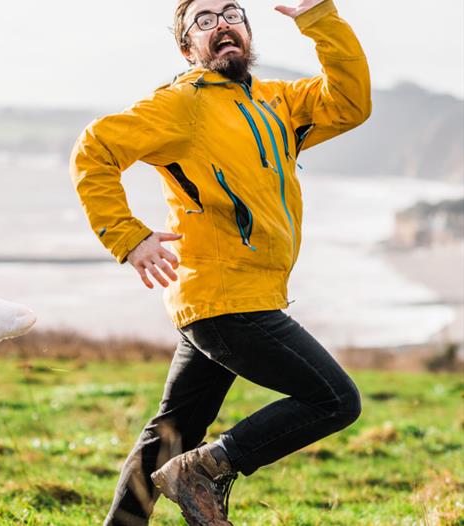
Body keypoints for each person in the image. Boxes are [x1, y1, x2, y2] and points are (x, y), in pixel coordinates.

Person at [69, 0, 370, 524]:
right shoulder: (181, 104)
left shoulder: (277, 100)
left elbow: (350, 102)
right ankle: (208, 468)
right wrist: (128, 237)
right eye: (203, 21)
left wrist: (319, 19)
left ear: (248, 32)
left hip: (229, 296)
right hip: (226, 299)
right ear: (188, 48)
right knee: (335, 400)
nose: (222, 25)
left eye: (231, 13)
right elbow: (95, 149)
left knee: (171, 435)